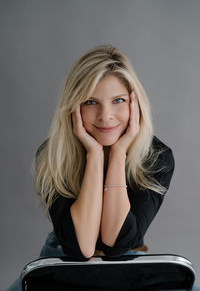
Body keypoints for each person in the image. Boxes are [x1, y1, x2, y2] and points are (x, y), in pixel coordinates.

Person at [7, 44, 199, 290]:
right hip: (60, 262)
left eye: (118, 100)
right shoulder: (51, 155)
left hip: (129, 262)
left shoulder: (157, 157)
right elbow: (81, 249)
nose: (105, 116)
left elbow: (117, 243)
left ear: (134, 103)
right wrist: (94, 156)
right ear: (73, 106)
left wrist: (118, 155)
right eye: (90, 102)